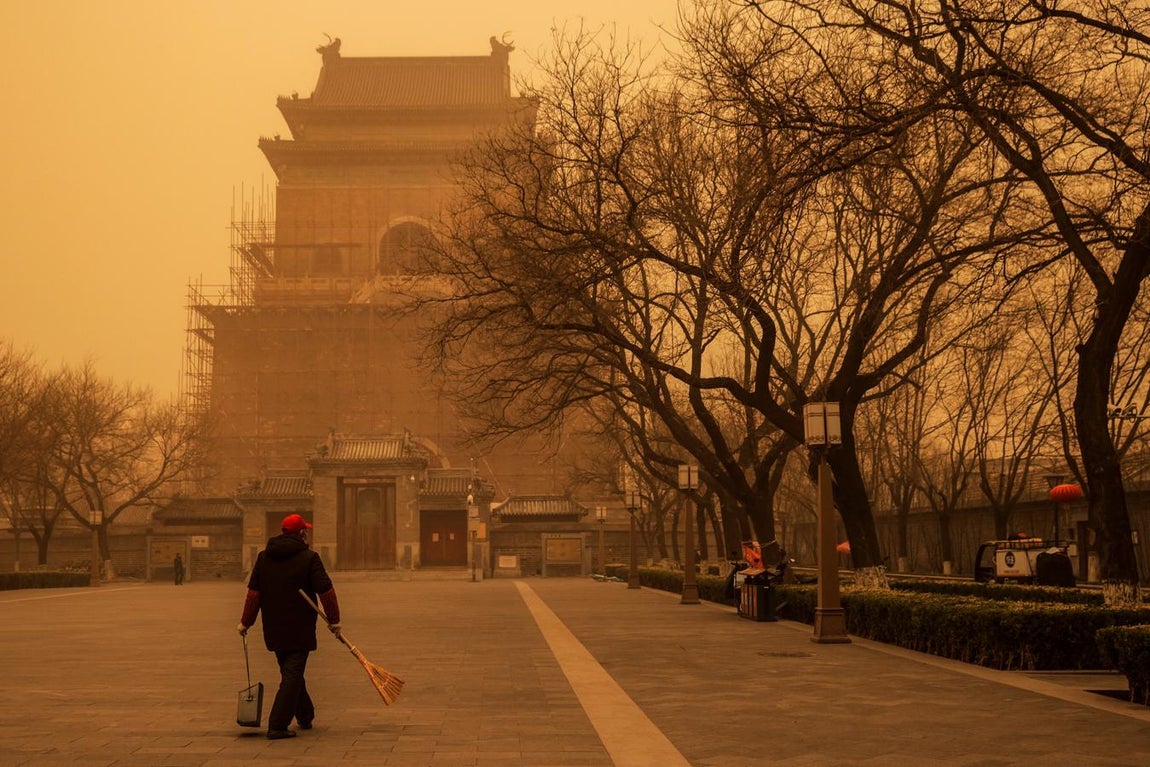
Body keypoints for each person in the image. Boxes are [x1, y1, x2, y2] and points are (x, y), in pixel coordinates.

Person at [237, 513, 342, 740]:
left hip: (273, 627)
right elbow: (326, 590)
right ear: (302, 533)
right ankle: (277, 724)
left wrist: (246, 622)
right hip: (300, 627)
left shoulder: (264, 557)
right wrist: (334, 620)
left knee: (291, 672)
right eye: (306, 531)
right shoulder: (309, 558)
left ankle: (305, 715)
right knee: (292, 674)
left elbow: (254, 593)